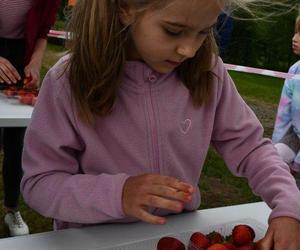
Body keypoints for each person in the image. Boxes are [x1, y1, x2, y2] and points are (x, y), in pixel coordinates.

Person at [21, 0, 300, 248]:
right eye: (173, 31)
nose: (189, 50)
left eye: (204, 31)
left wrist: (288, 206)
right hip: (91, 239)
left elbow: (251, 149)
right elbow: (40, 183)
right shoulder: (67, 82)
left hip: (178, 237)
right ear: (124, 8)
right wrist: (119, 194)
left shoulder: (208, 73)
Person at [0, 0, 61, 237]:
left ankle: (11, 209)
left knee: (17, 141)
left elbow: (43, 31)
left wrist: (36, 62)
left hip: (20, 52)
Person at [272, 15, 300, 189]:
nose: (294, 38)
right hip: (296, 135)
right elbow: (283, 114)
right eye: (296, 32)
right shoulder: (294, 70)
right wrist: (276, 146)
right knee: (273, 160)